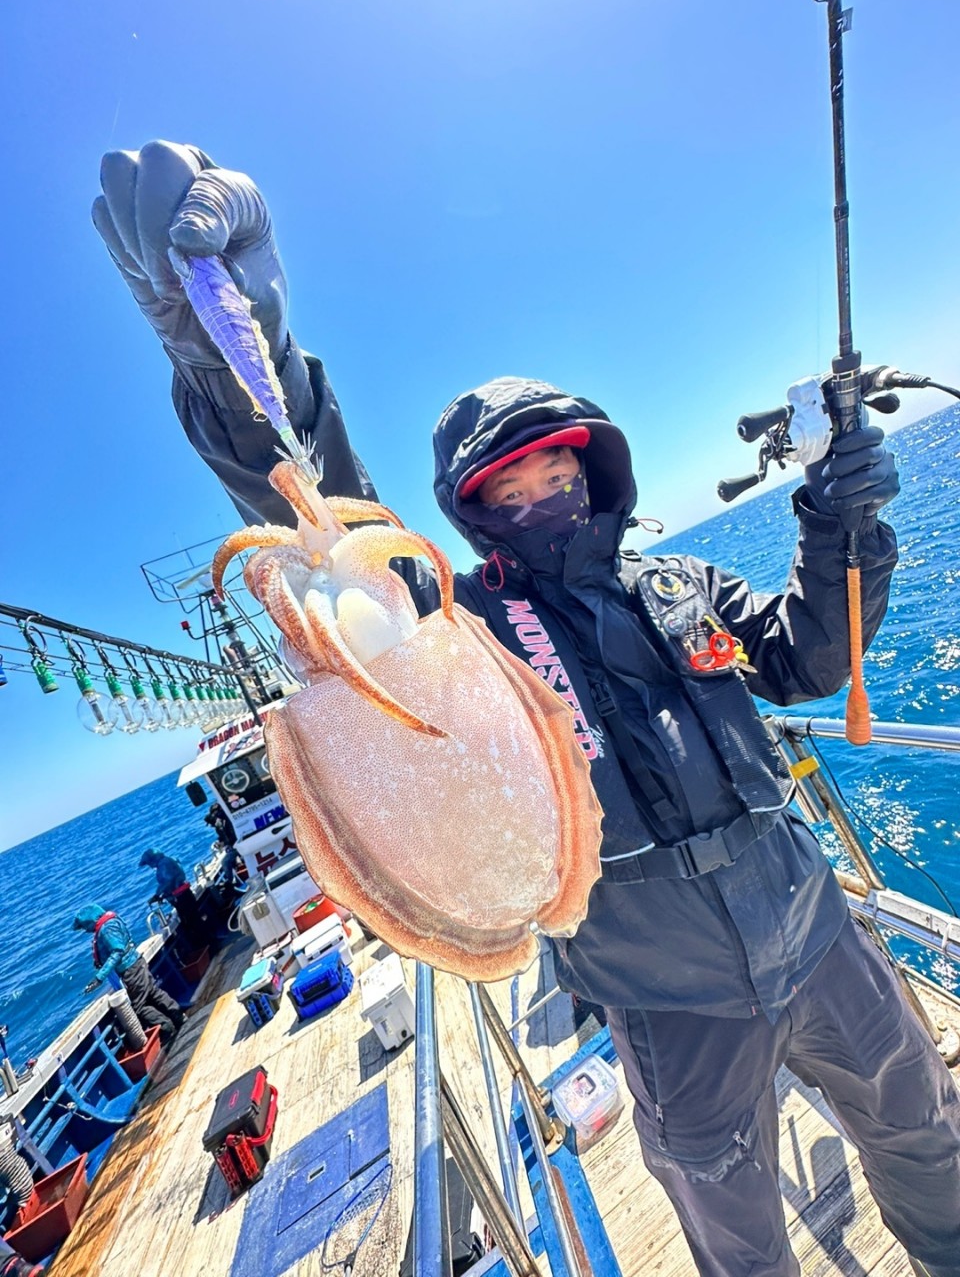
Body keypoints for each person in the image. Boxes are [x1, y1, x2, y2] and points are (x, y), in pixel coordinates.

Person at [92, 141, 960, 1277]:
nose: (546, 497)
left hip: (820, 932)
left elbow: (806, 657)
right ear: (475, 513)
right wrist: (232, 356)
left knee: (929, 1139)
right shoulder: (463, 630)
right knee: (741, 1248)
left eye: (561, 473)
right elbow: (336, 526)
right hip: (666, 1002)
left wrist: (844, 523)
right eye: (511, 488)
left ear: (597, 475)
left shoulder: (680, 583)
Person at [73, 903, 185, 1046]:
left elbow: (117, 951)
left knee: (138, 1007)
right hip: (137, 962)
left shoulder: (106, 930)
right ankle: (179, 1017)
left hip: (130, 970)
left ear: (91, 920)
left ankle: (167, 1028)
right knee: (153, 993)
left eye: (84, 926)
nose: (85, 930)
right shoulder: (112, 920)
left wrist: (99, 977)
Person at [139, 849, 206, 950]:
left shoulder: (163, 865)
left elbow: (168, 881)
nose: (150, 866)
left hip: (181, 897)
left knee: (192, 921)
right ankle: (206, 942)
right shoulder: (169, 859)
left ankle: (205, 945)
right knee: (195, 918)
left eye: (149, 863)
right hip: (186, 892)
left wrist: (157, 895)